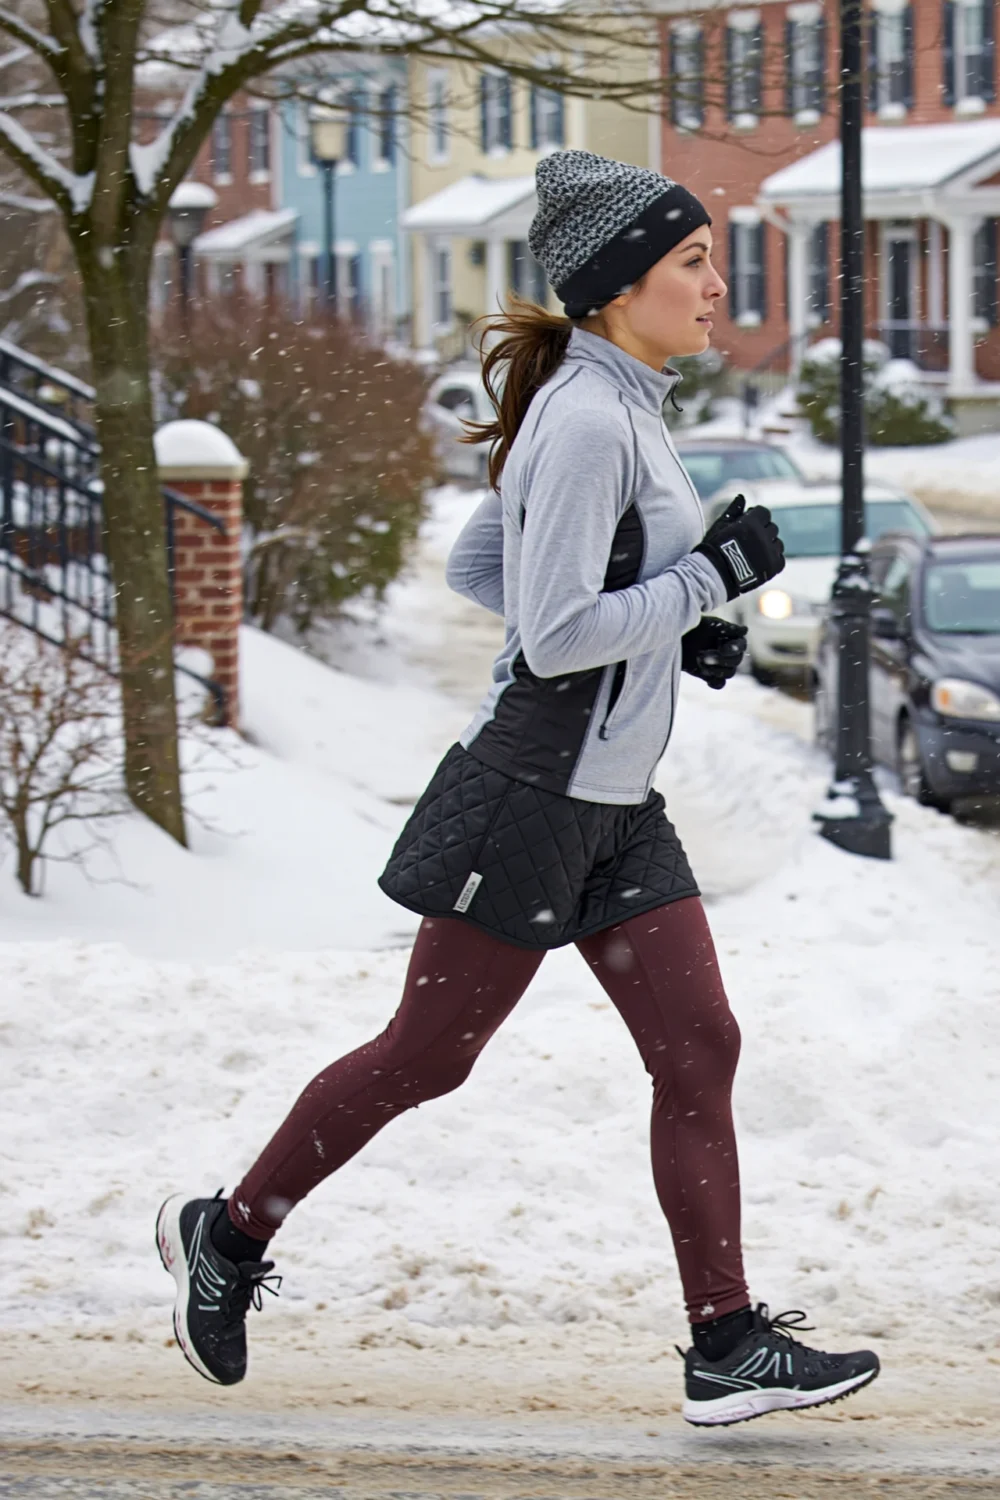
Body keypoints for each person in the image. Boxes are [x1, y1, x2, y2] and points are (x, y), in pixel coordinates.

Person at [157, 150, 880, 1427]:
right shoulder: (592, 418)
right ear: (618, 287)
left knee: (700, 1046)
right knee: (426, 1056)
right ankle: (227, 1231)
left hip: (612, 803)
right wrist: (701, 586)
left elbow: (485, 564)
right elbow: (550, 634)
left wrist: (668, 630)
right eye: (692, 262)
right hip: (533, 794)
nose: (717, 285)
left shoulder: (613, 402)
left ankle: (724, 1341)